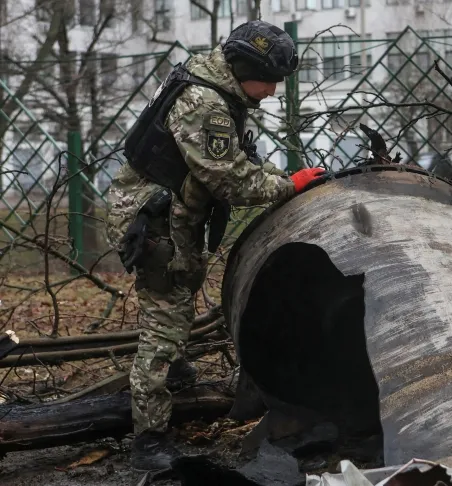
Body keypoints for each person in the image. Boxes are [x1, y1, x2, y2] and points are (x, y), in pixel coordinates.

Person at [105, 20, 326, 471]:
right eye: (272, 81)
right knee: (164, 324)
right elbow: (229, 180)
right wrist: (289, 183)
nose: (273, 91)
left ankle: (175, 373)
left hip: (172, 213)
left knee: (181, 289)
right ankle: (149, 438)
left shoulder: (214, 79)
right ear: (247, 68)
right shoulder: (206, 104)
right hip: (152, 221)